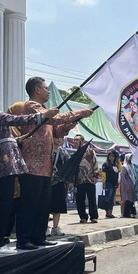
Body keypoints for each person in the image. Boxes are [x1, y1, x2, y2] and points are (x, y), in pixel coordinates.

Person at [10, 77, 93, 250]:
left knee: (43, 203)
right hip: (31, 164)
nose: (48, 91)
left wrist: (69, 125)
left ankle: (39, 236)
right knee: (29, 204)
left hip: (46, 167)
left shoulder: (45, 110)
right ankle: (24, 239)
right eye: (45, 88)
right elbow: (54, 120)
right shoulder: (31, 106)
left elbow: (57, 132)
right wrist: (78, 113)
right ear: (36, 90)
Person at [0, 84, 55, 255]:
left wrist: (18, 139)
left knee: (2, 202)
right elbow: (17, 119)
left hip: (3, 160)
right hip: (2, 160)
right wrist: (43, 115)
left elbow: (4, 135)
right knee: (3, 203)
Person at [73, 134, 99, 224]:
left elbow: (95, 164)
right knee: (80, 200)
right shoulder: (75, 154)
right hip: (79, 180)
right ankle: (83, 217)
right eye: (74, 140)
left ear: (83, 141)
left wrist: (96, 176)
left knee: (91, 199)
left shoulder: (91, 152)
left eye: (77, 140)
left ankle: (93, 217)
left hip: (90, 179)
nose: (75, 142)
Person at [49, 139, 71, 236]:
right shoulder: (46, 149)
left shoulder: (63, 152)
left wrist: (70, 180)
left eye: (60, 138)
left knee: (57, 205)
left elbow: (69, 166)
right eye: (56, 137)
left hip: (59, 182)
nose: (57, 140)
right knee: (45, 205)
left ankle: (55, 226)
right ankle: (44, 227)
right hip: (47, 181)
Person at [101, 150, 119, 218]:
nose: (111, 158)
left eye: (113, 156)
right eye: (110, 156)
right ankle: (107, 212)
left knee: (112, 199)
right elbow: (103, 174)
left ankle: (111, 212)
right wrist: (104, 183)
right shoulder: (106, 164)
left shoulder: (115, 164)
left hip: (114, 183)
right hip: (108, 183)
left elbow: (120, 170)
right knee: (108, 198)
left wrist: (118, 161)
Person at [119, 153, 137, 217]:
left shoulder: (131, 166)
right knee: (127, 199)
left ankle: (132, 212)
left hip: (132, 185)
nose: (131, 159)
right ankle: (126, 213)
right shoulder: (125, 166)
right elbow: (122, 176)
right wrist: (126, 185)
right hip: (126, 186)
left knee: (131, 199)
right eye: (130, 158)